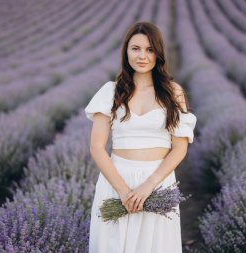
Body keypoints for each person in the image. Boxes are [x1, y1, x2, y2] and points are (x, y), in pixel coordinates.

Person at [84, 21, 197, 253]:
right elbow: (97, 147)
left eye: (149, 49)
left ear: (158, 53)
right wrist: (124, 192)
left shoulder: (173, 92)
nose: (142, 56)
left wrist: (148, 185)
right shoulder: (110, 92)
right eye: (135, 48)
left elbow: (179, 148)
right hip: (116, 181)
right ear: (126, 51)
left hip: (158, 183)